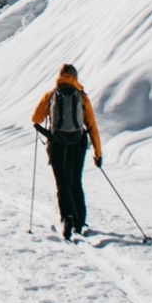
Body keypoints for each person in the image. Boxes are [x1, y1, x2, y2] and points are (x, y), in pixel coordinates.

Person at [28, 64, 102, 240]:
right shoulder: (81, 97)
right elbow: (92, 126)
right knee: (76, 180)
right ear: (75, 77)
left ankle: (67, 217)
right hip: (78, 144)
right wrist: (98, 153)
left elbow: (35, 118)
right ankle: (79, 222)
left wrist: (49, 130)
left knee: (62, 182)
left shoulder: (51, 94)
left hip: (58, 144)